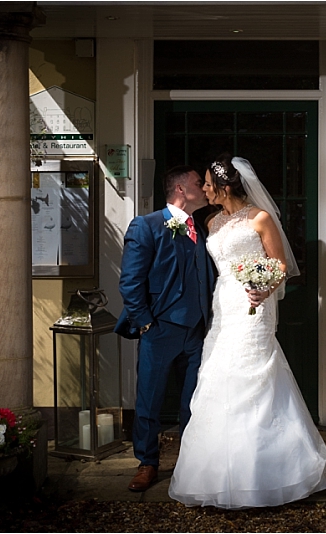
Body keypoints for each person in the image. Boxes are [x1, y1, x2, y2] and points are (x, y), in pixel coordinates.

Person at [168, 154, 326, 509]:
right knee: (218, 375)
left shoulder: (260, 218)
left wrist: (263, 288)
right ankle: (217, 473)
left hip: (253, 305)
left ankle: (265, 473)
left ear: (226, 186)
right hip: (223, 305)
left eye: (209, 184)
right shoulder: (212, 223)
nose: (205, 189)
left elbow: (281, 265)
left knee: (252, 375)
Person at [114, 165, 215, 492]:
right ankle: (147, 462)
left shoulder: (201, 227)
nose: (204, 187)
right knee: (149, 400)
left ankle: (190, 459)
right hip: (159, 328)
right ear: (182, 190)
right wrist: (144, 322)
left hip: (197, 330)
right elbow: (130, 282)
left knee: (193, 400)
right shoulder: (146, 226)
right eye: (199, 182)